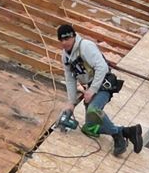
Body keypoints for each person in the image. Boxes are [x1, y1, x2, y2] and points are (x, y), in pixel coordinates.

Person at [56, 23, 143, 156]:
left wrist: (92, 90)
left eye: (67, 39)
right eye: (61, 40)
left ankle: (117, 135)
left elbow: (102, 67)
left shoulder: (85, 47)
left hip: (103, 84)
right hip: (91, 87)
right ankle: (128, 131)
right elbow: (69, 78)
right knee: (90, 128)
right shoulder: (66, 56)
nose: (64, 42)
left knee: (93, 110)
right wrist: (71, 102)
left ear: (74, 36)